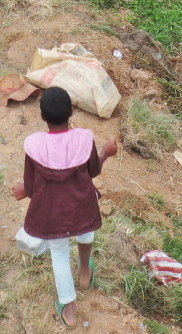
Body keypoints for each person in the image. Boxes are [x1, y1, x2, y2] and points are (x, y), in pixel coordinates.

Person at [11, 88, 119, 329]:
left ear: (42, 116)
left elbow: (31, 184)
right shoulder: (83, 139)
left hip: (52, 213)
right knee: (85, 230)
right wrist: (105, 153)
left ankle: (69, 309)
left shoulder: (35, 147)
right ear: (71, 112)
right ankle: (84, 269)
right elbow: (93, 171)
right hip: (81, 206)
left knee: (59, 253)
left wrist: (24, 191)